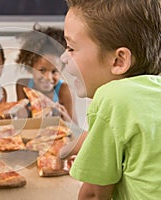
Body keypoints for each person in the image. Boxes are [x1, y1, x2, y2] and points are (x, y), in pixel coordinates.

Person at [60, 0, 161, 199]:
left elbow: (94, 195)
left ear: (118, 61)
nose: (64, 57)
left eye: (71, 48)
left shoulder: (113, 98)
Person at [16, 24, 76, 122]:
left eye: (54, 71)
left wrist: (65, 117)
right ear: (31, 67)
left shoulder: (64, 91)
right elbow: (22, 122)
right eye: (42, 70)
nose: (48, 77)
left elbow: (76, 130)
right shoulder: (22, 86)